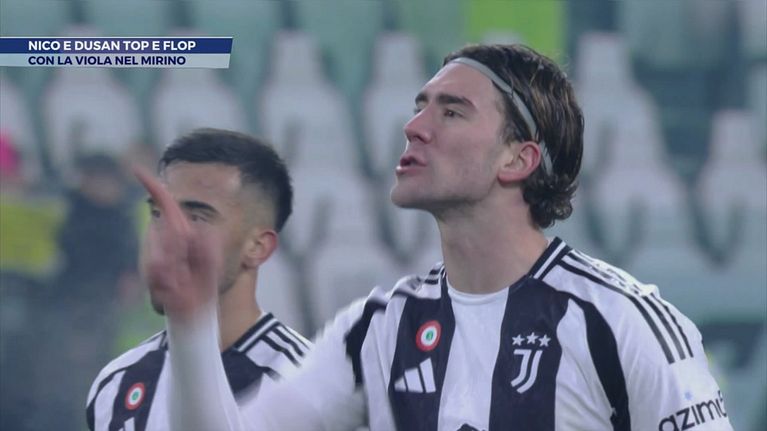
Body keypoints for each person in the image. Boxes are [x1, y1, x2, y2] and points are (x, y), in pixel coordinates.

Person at [139, 44, 733, 430]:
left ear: (517, 159)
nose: (413, 126)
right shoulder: (378, 329)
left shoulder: (618, 320)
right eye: (420, 106)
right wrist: (191, 320)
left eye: (451, 112)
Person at [86, 129, 310, 430]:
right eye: (158, 214)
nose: (170, 235)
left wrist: (191, 327)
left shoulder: (310, 391)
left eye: (197, 217)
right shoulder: (115, 384)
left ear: (257, 247)